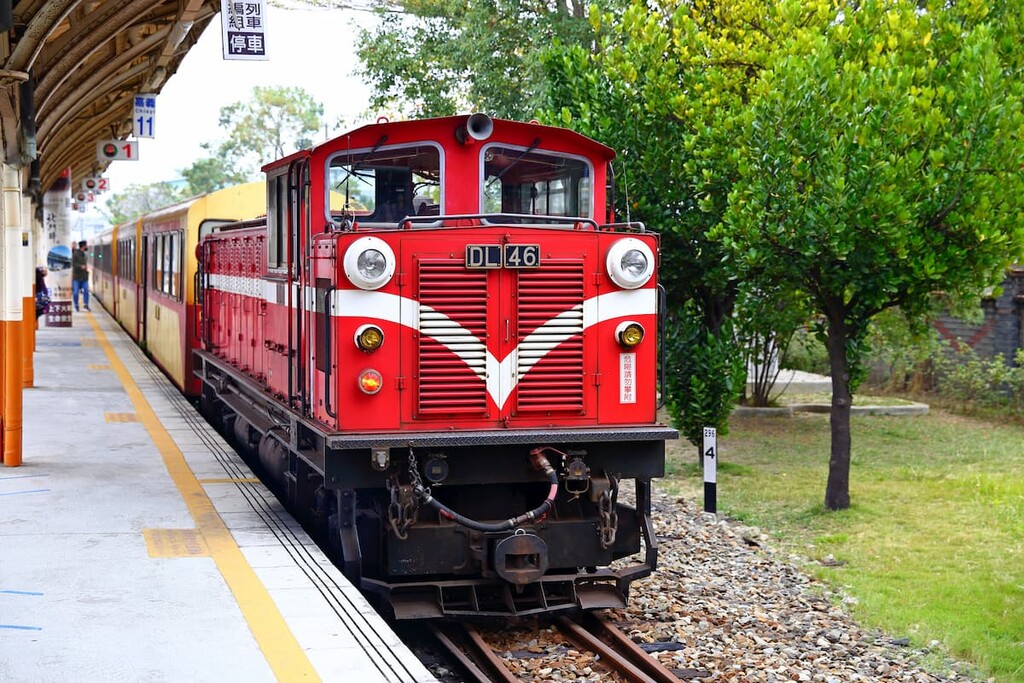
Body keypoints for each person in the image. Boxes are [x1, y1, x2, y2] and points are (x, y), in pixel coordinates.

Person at [72, 240, 90, 312]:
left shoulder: (85, 254)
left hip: (84, 277)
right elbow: (73, 263)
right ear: (83, 246)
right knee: (76, 292)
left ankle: (86, 305)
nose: (87, 246)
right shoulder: (75, 254)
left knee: (86, 291)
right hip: (76, 277)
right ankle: (76, 305)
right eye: (86, 245)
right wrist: (80, 266)